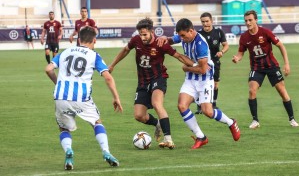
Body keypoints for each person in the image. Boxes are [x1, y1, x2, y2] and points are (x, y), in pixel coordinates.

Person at [108, 18, 194, 149]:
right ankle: (158, 123)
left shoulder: (161, 44)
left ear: (151, 32)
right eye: (140, 34)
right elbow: (125, 50)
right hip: (142, 81)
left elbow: (178, 56)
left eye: (145, 34)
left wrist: (196, 65)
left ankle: (168, 139)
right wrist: (112, 65)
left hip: (158, 78)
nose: (142, 37)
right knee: (139, 115)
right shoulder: (136, 40)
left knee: (156, 104)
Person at [45, 26, 123, 170]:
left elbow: (48, 69)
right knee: (96, 122)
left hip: (61, 96)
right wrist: (116, 97)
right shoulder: (94, 55)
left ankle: (68, 151)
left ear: (78, 39)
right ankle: (106, 151)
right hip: (81, 97)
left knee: (63, 128)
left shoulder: (64, 52)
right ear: (94, 40)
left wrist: (58, 83)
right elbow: (108, 77)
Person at [164, 18, 240, 149]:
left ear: (191, 31)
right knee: (182, 106)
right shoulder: (183, 37)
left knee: (208, 112)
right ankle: (201, 137)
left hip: (204, 80)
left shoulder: (201, 44)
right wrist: (163, 39)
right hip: (190, 79)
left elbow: (203, 69)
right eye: (180, 35)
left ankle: (230, 122)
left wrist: (186, 68)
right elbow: (171, 40)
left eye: (183, 35)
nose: (181, 38)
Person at [232, 10, 299, 129]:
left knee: (282, 92)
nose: (248, 22)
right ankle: (255, 120)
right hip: (256, 68)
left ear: (256, 20)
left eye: (250, 20)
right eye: (246, 20)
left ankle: (292, 119)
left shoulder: (266, 32)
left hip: (271, 66)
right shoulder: (244, 37)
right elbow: (240, 53)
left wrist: (287, 64)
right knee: (252, 90)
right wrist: (237, 58)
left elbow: (281, 46)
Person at [195, 12, 229, 114]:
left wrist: (221, 52)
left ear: (212, 21)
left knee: (215, 84)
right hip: (202, 63)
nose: (205, 24)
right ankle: (199, 106)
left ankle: (213, 104)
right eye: (203, 22)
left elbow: (226, 45)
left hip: (215, 62)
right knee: (200, 84)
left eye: (207, 21)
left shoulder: (218, 32)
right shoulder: (198, 34)